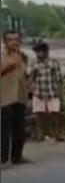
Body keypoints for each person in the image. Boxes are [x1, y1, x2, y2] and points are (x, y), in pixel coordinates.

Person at [1, 30, 31, 166]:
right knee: (4, 130)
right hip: (5, 98)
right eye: (10, 40)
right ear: (5, 42)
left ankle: (17, 157)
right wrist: (12, 64)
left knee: (20, 129)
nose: (14, 42)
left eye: (16, 39)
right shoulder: (2, 56)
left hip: (20, 97)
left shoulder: (23, 57)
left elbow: (24, 75)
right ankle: (2, 159)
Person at [30, 42, 64, 142]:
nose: (37, 55)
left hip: (52, 92)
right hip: (39, 92)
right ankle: (40, 135)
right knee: (39, 115)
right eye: (36, 52)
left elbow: (58, 79)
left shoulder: (53, 63)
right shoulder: (35, 64)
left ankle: (57, 134)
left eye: (39, 52)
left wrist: (59, 92)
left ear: (46, 52)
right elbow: (32, 77)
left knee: (55, 114)